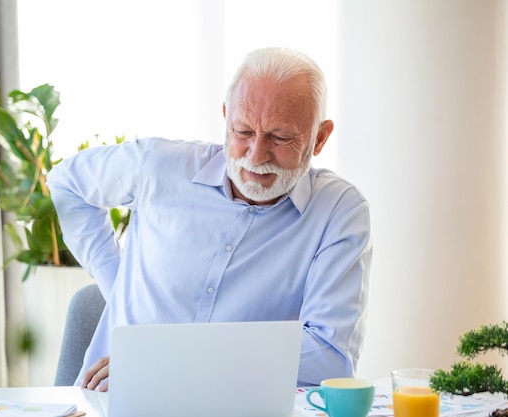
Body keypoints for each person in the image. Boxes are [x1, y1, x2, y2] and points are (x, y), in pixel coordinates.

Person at [47, 47, 372, 390]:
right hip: (119, 398)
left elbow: (329, 359)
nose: (256, 155)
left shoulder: (338, 211)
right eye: (243, 131)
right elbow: (67, 183)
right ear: (225, 116)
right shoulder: (158, 167)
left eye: (280, 138)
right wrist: (118, 284)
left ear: (319, 138)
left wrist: (173, 362)